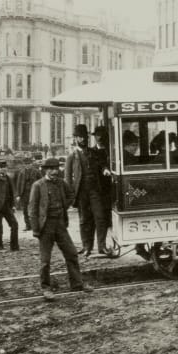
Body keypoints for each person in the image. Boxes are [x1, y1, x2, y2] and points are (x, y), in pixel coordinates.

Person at [27, 157, 93, 300]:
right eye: (50, 169)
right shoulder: (38, 186)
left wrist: (65, 205)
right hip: (46, 227)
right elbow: (32, 209)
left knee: (72, 253)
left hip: (60, 224)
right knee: (45, 260)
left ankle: (77, 284)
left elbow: (71, 195)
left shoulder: (62, 183)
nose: (54, 172)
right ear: (45, 170)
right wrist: (35, 229)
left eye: (56, 169)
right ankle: (46, 288)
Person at [64, 124, 98, 256]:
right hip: (81, 192)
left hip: (93, 190)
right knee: (84, 219)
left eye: (84, 137)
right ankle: (85, 246)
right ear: (76, 139)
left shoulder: (92, 152)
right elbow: (68, 178)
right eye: (80, 137)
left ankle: (91, 245)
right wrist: (71, 195)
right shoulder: (72, 156)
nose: (82, 139)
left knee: (95, 218)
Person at [86, 126, 114, 255]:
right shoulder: (91, 152)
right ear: (95, 137)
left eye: (102, 135)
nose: (100, 138)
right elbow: (93, 166)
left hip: (110, 189)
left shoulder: (112, 150)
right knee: (98, 217)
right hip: (96, 190)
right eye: (97, 135)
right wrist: (103, 168)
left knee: (109, 218)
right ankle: (97, 246)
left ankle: (109, 244)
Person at [14, 155, 41, 230]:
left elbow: (41, 182)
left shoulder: (36, 172)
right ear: (24, 164)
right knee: (25, 211)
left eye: (29, 163)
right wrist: (18, 195)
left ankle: (35, 225)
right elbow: (18, 184)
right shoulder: (21, 172)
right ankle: (28, 225)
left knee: (34, 209)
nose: (27, 165)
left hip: (34, 193)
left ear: (31, 164)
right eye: (26, 164)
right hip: (24, 194)